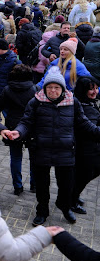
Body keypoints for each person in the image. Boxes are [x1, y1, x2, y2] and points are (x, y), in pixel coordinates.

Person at [9, 67, 100, 226]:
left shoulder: (73, 102)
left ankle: (65, 207)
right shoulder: (36, 101)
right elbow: (26, 122)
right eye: (49, 87)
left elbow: (84, 123)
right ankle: (42, 211)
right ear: (45, 88)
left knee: (66, 185)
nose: (53, 90)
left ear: (62, 89)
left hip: (65, 151)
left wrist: (97, 132)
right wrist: (18, 132)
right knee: (42, 186)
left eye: (56, 87)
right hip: (41, 150)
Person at [0, 64, 36, 195]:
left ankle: (18, 186)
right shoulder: (34, 89)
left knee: (15, 157)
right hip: (31, 125)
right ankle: (34, 184)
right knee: (34, 157)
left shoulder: (8, 89)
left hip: (13, 125)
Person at [71, 76, 100, 215]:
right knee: (85, 175)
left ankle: (73, 195)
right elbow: (91, 130)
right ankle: (71, 200)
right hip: (85, 149)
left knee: (85, 174)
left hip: (91, 147)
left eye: (96, 88)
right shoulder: (83, 107)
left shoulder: (89, 103)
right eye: (91, 89)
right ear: (83, 91)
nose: (95, 91)